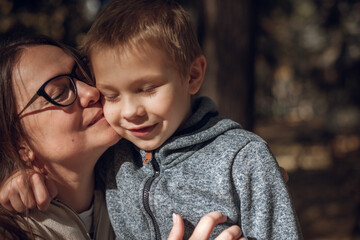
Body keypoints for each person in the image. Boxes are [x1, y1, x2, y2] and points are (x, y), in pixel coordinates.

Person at [80, 0, 303, 239]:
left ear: (192, 76)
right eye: (110, 96)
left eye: (147, 89)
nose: (130, 111)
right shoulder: (110, 157)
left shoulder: (244, 158)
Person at [0, 35, 244, 240]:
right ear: (18, 142)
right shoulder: (12, 231)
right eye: (60, 92)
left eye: (84, 75)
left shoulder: (134, 181)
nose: (92, 92)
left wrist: (247, 170)